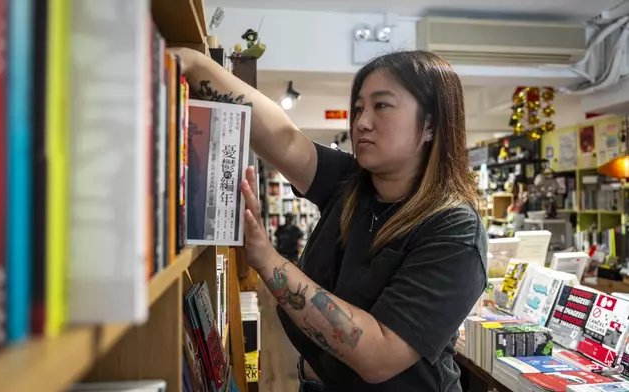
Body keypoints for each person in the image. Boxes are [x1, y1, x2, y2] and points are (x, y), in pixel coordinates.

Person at [172, 48, 487, 392]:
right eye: (358, 109)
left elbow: (379, 355)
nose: (362, 122)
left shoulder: (454, 229)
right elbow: (282, 137)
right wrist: (192, 62)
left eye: (381, 106)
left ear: (430, 125)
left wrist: (266, 258)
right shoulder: (353, 183)